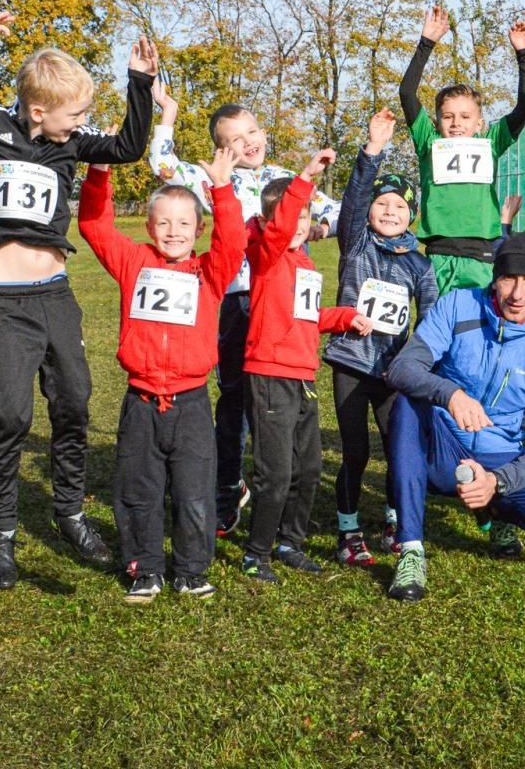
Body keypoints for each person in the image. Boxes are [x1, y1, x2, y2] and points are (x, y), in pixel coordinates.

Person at [0, 16, 155, 590]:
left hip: (57, 298)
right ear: (39, 109)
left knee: (74, 406)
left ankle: (69, 513)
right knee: (12, 415)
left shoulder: (71, 143)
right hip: (5, 304)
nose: (81, 126)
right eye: (75, 116)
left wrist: (139, 83)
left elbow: (129, 147)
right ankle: (2, 535)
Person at [148, 86, 341, 539]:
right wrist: (169, 114)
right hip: (236, 298)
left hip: (281, 304)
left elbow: (335, 210)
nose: (248, 141)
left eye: (253, 130)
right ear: (223, 149)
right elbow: (162, 165)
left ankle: (283, 486)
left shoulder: (284, 177)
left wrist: (314, 228)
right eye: (236, 138)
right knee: (234, 397)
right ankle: (229, 487)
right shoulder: (214, 175)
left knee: (282, 401)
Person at [78, 145, 244, 601]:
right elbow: (94, 225)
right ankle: (144, 567)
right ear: (150, 227)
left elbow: (234, 243)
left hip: (191, 404)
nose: (174, 232)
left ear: (199, 229)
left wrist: (223, 188)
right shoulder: (134, 263)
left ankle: (192, 570)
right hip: (141, 403)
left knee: (194, 493)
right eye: (164, 223)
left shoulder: (210, 272)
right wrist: (99, 171)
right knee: (138, 491)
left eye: (184, 223)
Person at [382, 232, 525, 602]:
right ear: (495, 277)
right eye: (509, 278)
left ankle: (497, 508)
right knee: (408, 402)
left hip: (502, 456)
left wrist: (498, 481)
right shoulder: (458, 305)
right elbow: (402, 368)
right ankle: (411, 550)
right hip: (444, 444)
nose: (517, 294)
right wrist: (450, 393)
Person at [238, 153, 372, 583]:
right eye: (290, 216)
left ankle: (289, 542)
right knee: (274, 473)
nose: (298, 225)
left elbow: (308, 317)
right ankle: (255, 553)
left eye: (305, 218)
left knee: (308, 468)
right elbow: (277, 232)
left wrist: (345, 317)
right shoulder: (267, 255)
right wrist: (305, 178)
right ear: (268, 220)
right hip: (270, 374)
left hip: (302, 375)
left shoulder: (306, 263)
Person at [323, 109, 437, 565]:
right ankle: (348, 533)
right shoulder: (356, 243)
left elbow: (427, 319)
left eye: (400, 206)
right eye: (382, 203)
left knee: (399, 449)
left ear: (412, 215)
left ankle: (394, 520)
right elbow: (350, 202)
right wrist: (372, 149)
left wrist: (415, 361)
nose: (390, 212)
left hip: (393, 370)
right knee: (355, 451)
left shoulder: (420, 264)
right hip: (351, 361)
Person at [398, 5, 525, 293]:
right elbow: (407, 93)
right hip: (437, 256)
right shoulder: (429, 142)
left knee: (476, 331)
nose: (456, 123)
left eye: (465, 116)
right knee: (434, 330)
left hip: (481, 257)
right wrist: (426, 42)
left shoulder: (491, 142)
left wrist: (524, 55)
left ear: (479, 122)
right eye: (448, 117)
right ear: (437, 121)